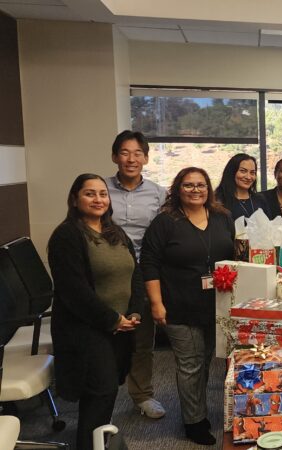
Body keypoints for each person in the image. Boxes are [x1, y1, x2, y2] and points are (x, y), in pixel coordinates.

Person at [47, 174, 143, 450]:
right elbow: (74, 292)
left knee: (106, 390)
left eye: (103, 193)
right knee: (100, 390)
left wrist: (135, 311)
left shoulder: (114, 231)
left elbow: (134, 272)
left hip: (120, 325)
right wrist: (112, 320)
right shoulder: (67, 236)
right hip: (86, 330)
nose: (98, 199)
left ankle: (97, 440)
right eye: (90, 193)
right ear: (75, 199)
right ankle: (89, 444)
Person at [140, 167, 234, 445]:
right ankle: (193, 423)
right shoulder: (165, 222)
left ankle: (198, 411)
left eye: (201, 185)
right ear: (177, 189)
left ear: (209, 189)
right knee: (190, 364)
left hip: (214, 306)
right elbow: (149, 263)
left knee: (204, 362)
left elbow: (233, 255)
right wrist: (156, 304)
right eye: (189, 185)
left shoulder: (222, 217)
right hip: (179, 305)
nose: (196, 190)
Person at [104, 130, 167, 419]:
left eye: (137, 153)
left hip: (142, 274)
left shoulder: (157, 192)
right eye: (125, 153)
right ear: (115, 156)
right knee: (106, 337)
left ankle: (142, 395)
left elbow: (163, 235)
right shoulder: (100, 189)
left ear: (145, 157)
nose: (131, 159)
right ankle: (100, 395)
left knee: (142, 340)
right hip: (107, 273)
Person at [215, 153, 269, 221]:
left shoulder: (260, 200)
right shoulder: (219, 201)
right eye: (243, 171)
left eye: (252, 172)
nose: (248, 177)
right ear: (232, 172)